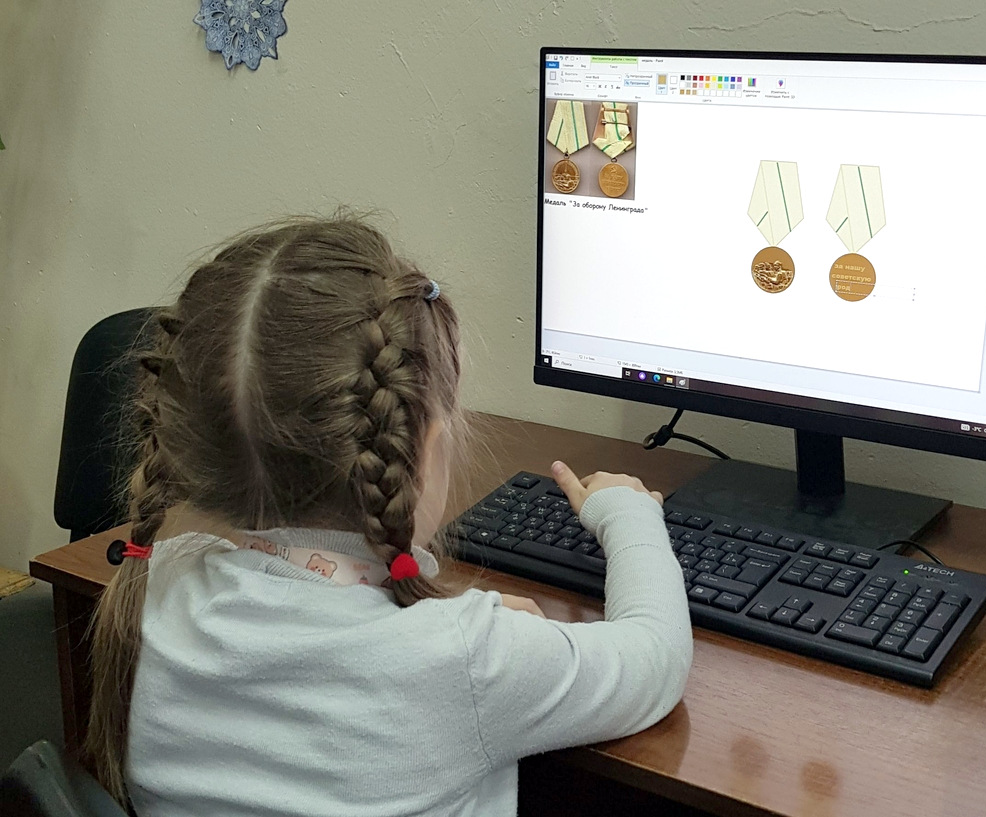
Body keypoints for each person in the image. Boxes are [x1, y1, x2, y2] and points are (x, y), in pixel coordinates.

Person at [85, 215, 693, 816]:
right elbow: (656, 656)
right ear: (426, 449)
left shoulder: (162, 579)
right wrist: (628, 513)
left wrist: (457, 626)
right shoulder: (464, 658)